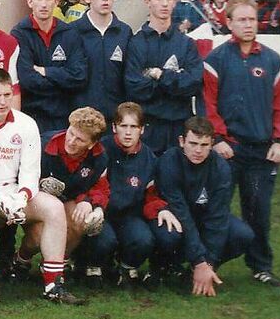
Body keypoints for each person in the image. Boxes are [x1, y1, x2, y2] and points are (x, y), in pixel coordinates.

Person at [0, 69, 83, 309]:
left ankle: (54, 284)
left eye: (7, 94)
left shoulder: (26, 123)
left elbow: (31, 171)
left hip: (15, 190)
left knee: (54, 208)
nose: (3, 101)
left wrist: (22, 197)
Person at [203, 0, 280, 287]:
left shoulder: (271, 60)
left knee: (259, 211)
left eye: (252, 19)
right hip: (227, 150)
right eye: (241, 20)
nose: (248, 25)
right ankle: (209, 262)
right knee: (218, 210)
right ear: (229, 23)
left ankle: (261, 266)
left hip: (261, 151)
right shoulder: (217, 60)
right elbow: (207, 104)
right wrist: (216, 139)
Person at [156, 117, 256, 297]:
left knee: (243, 234)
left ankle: (202, 273)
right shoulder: (168, 162)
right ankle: (167, 266)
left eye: (204, 145)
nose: (198, 150)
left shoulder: (221, 167)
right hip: (178, 218)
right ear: (181, 141)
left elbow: (218, 217)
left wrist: (207, 262)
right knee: (169, 234)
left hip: (205, 218)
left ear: (212, 144)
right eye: (193, 143)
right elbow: (182, 213)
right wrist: (199, 260)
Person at [100, 102, 184, 285]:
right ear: (114, 127)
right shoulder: (101, 150)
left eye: (133, 127)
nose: (128, 132)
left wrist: (160, 209)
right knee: (103, 240)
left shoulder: (149, 158)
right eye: (123, 126)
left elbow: (152, 194)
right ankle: (93, 264)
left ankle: (127, 265)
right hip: (101, 212)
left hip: (129, 215)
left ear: (142, 130)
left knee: (143, 239)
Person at [33, 107, 113, 288]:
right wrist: (40, 186)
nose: (71, 141)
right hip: (39, 199)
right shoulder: (44, 144)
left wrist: (89, 202)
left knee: (81, 220)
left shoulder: (100, 157)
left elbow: (101, 187)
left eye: (80, 139)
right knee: (37, 237)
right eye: (71, 133)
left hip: (71, 198)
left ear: (92, 144)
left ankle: (60, 264)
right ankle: (21, 258)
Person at [124, 0, 204, 152]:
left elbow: (193, 84)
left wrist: (160, 75)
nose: (165, 4)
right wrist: (175, 80)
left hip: (179, 127)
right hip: (147, 128)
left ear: (175, 2)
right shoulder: (136, 43)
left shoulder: (186, 44)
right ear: (147, 2)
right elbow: (134, 87)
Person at [12, 0, 89, 137]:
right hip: (31, 117)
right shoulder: (19, 34)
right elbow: (27, 79)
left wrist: (45, 71)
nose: (44, 4)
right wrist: (61, 78)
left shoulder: (69, 34)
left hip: (63, 118)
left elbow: (79, 76)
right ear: (29, 2)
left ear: (56, 2)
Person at [72, 0, 132, 121]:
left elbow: (129, 76)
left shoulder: (124, 32)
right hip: (82, 118)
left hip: (115, 118)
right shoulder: (72, 32)